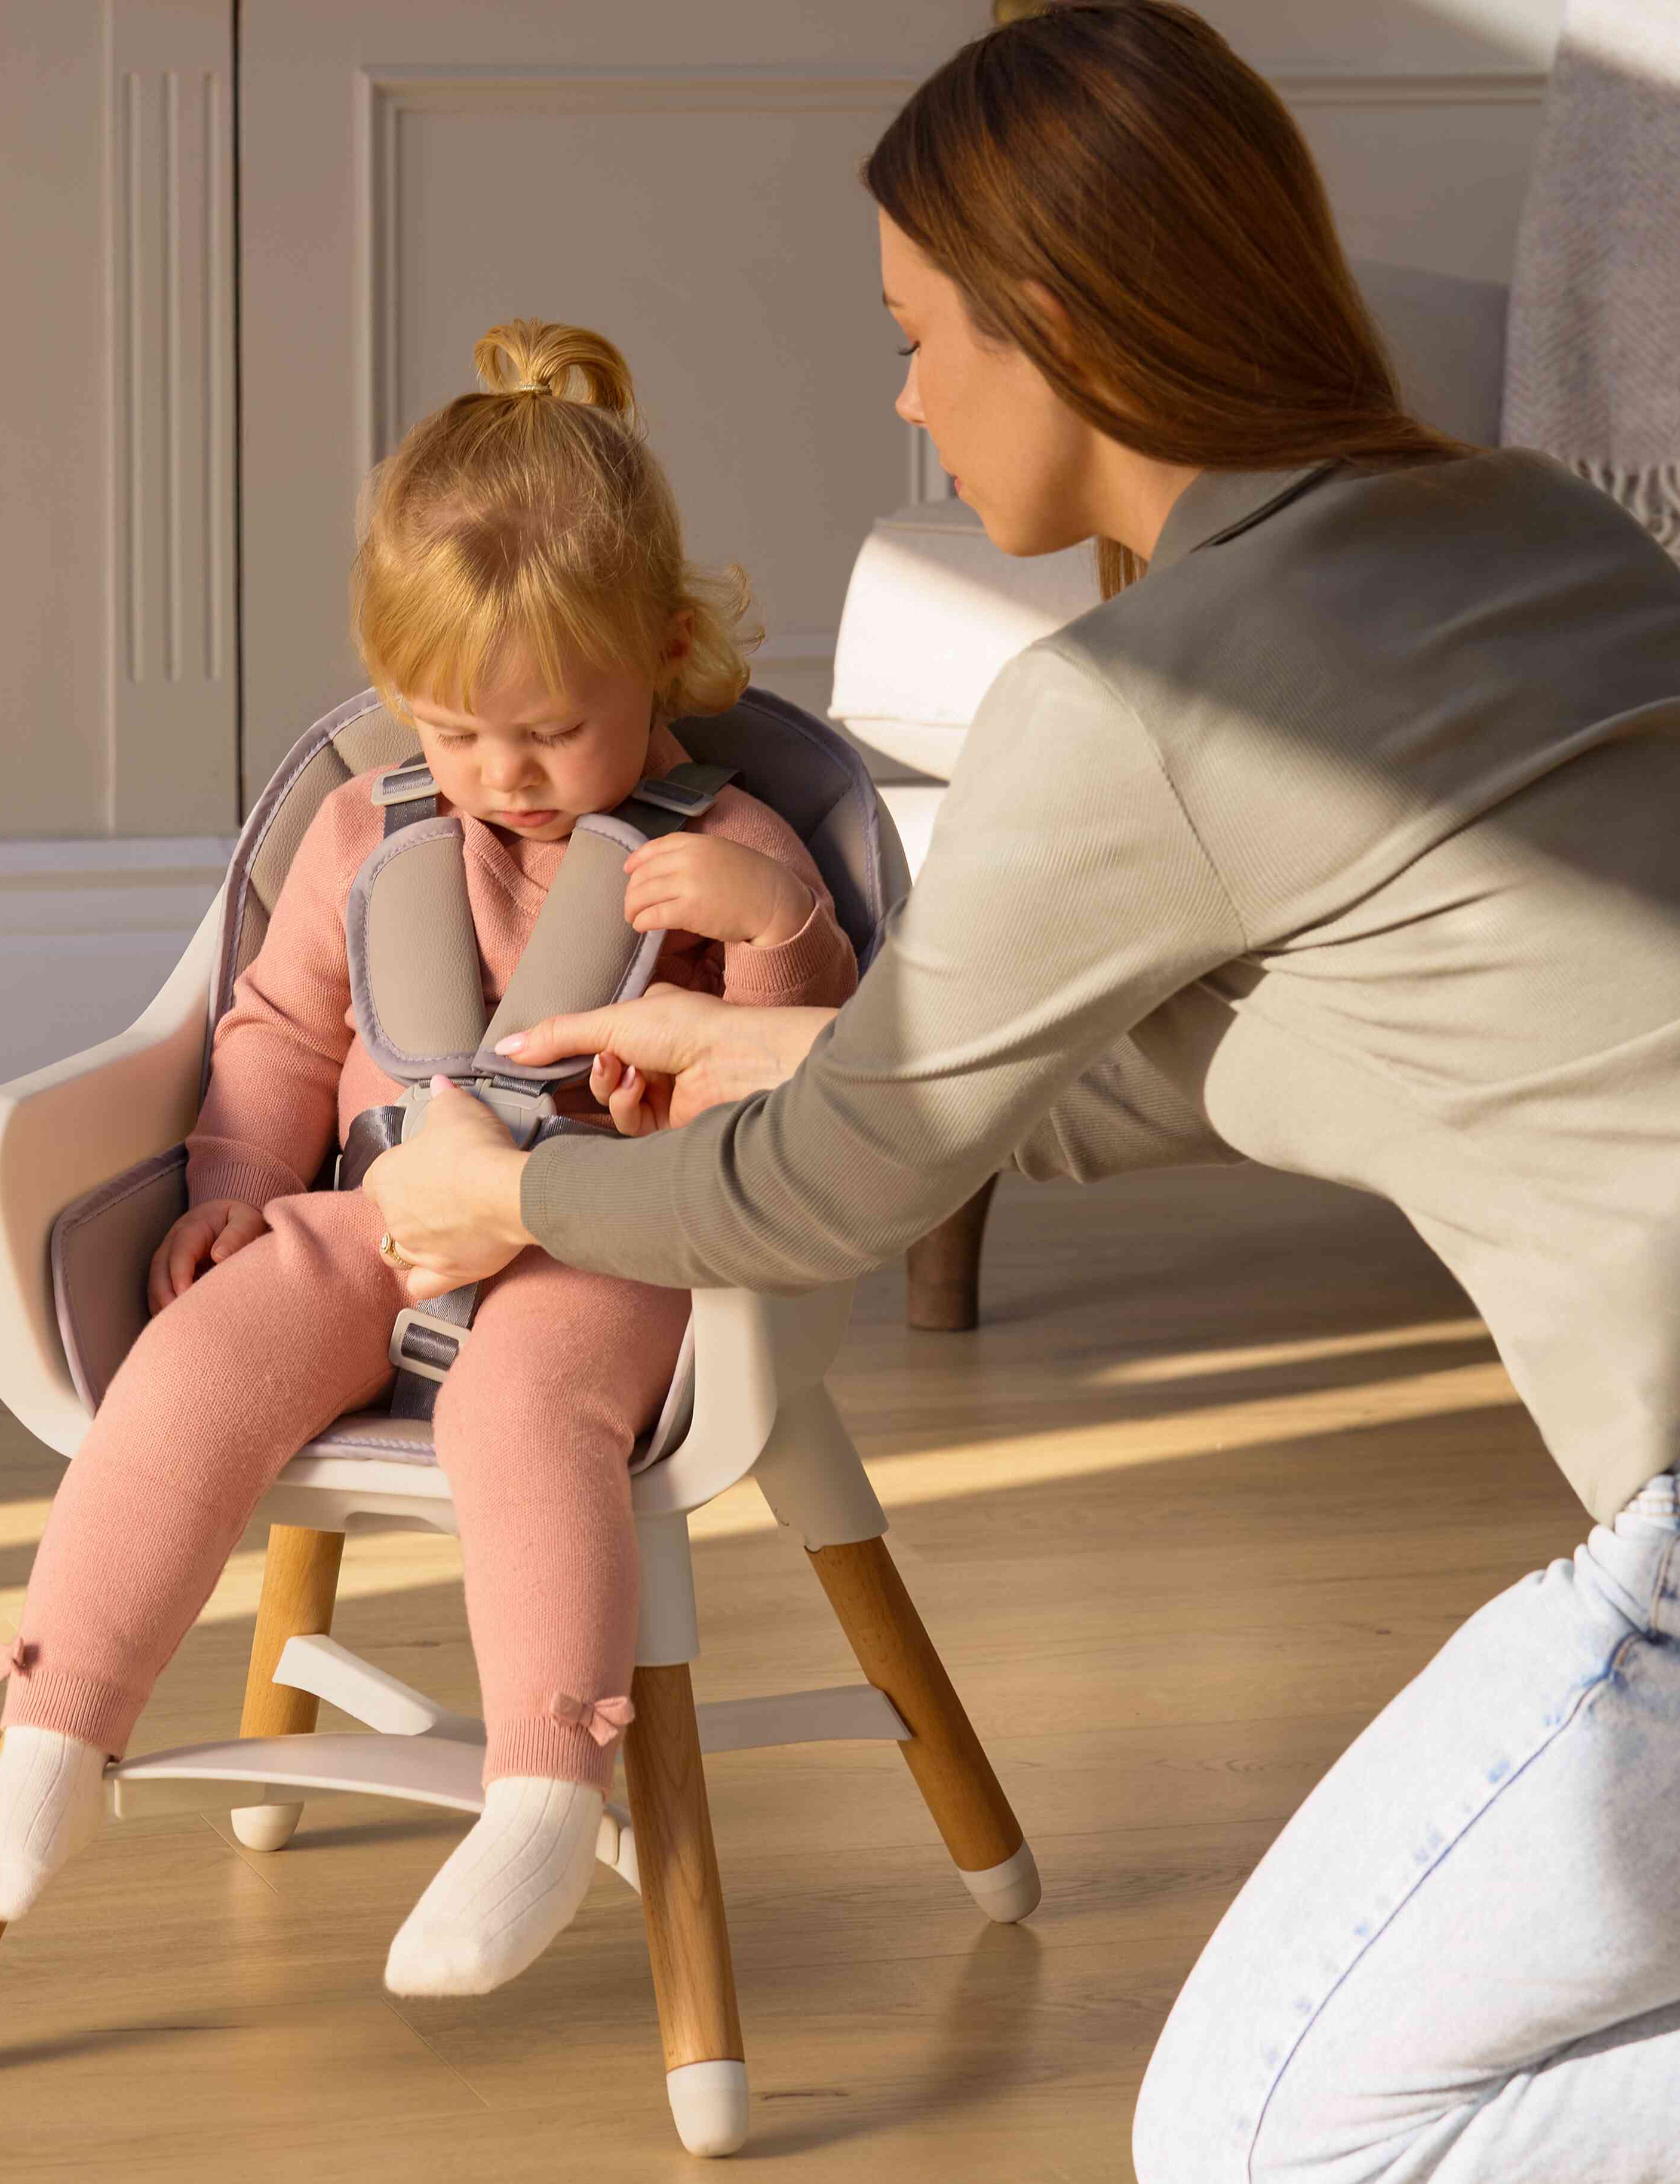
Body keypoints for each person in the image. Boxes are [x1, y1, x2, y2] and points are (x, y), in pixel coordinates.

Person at [363, 6, 1680, 2178]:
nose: (900, 393)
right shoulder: (1541, 530)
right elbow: (1305, 1034)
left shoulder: (1135, 698)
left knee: (1262, 2137)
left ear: (1056, 325)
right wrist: (802, 1048)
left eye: (913, 332)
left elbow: (829, 1196)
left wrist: (519, 1207)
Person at [0, 318, 857, 1997]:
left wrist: (779, 934)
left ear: (665, 652)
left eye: (552, 733)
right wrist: (224, 1191)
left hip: (606, 1239)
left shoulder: (731, 853)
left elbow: (821, 1096)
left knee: (524, 1405)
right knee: (200, 1355)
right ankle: (57, 1731)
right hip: (377, 1212)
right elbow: (273, 1030)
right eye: (449, 731)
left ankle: (541, 1791)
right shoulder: (369, 831)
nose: (501, 777)